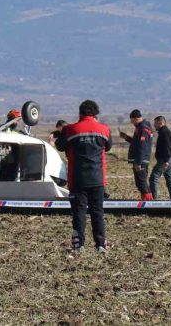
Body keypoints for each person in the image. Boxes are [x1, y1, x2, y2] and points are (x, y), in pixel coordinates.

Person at [56, 100, 112, 253]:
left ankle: (78, 244)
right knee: (97, 212)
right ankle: (100, 244)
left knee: (79, 212)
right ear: (96, 114)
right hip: (98, 179)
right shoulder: (105, 130)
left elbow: (60, 146)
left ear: (80, 113)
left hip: (78, 179)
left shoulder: (70, 129)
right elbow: (108, 146)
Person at [119, 109, 153, 200]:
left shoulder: (143, 129)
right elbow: (136, 143)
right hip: (140, 159)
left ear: (135, 119)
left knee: (141, 183)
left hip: (141, 160)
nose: (131, 122)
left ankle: (149, 202)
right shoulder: (140, 128)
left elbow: (142, 146)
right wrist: (126, 137)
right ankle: (145, 201)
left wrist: (138, 162)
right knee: (141, 183)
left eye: (131, 120)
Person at [149, 116, 171, 200]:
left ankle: (154, 200)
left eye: (155, 123)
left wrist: (166, 161)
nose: (154, 125)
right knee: (170, 179)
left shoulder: (164, 133)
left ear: (160, 123)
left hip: (166, 160)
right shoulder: (166, 132)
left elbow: (167, 147)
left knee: (154, 177)